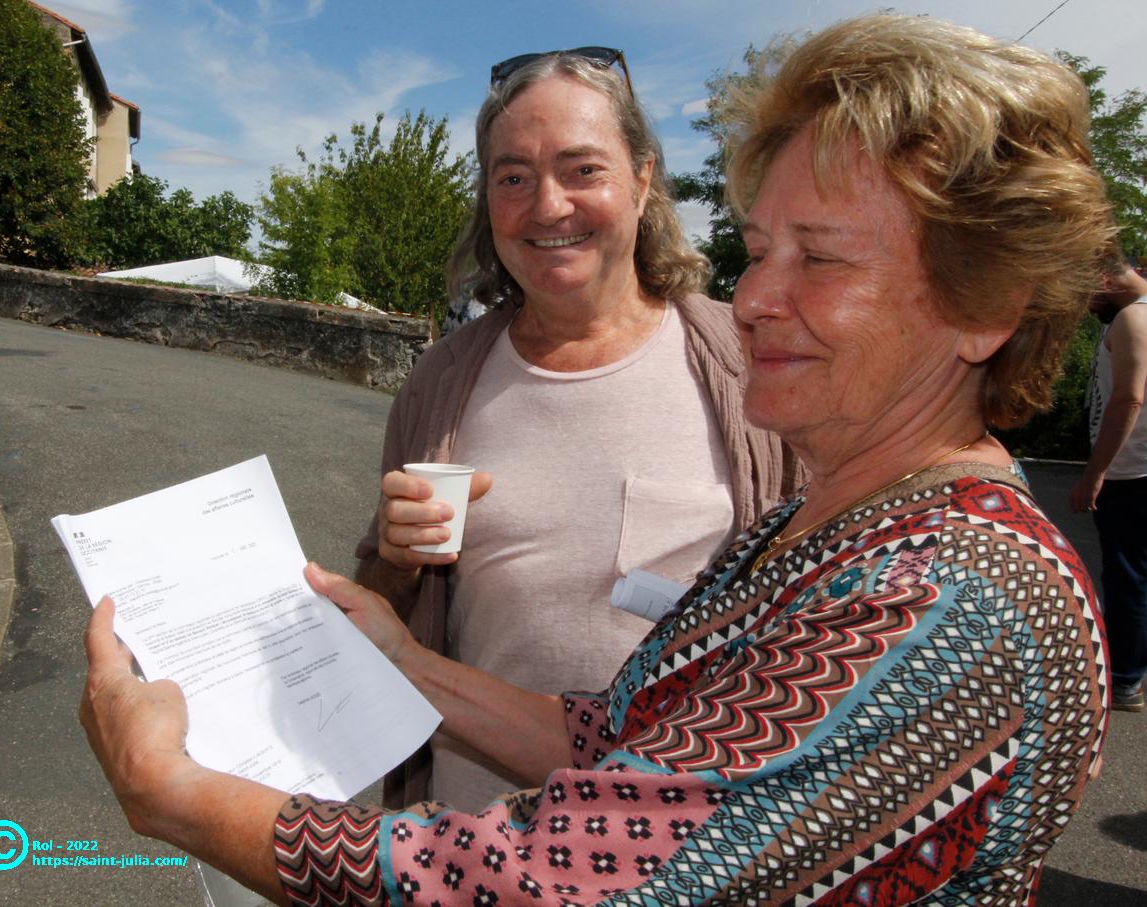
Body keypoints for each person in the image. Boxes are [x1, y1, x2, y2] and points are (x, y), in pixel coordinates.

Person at [79, 14, 1112, 904]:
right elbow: (614, 743)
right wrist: (404, 654)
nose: (753, 298)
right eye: (759, 249)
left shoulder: (948, 594)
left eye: (824, 256)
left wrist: (180, 793)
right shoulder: (812, 531)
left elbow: (564, 876)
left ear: (986, 304)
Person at [356, 48, 801, 810]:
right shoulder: (441, 383)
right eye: (514, 177)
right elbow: (379, 624)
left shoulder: (753, 362)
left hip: (676, 851)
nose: (547, 206)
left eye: (582, 169)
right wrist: (397, 561)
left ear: (644, 178)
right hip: (469, 847)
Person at [1070, 258, 1147, 712]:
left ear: (1102, 280)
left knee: (1127, 576)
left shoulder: (1132, 317)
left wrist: (1095, 472)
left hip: (1131, 470)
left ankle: (1125, 679)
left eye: (1086, 296)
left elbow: (1129, 396)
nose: (1086, 307)